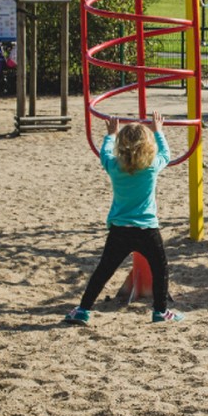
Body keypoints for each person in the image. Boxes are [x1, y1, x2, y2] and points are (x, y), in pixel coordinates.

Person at [64, 113, 184, 325]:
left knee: (104, 270)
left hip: (120, 229)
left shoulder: (114, 167)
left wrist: (110, 135)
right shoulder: (151, 167)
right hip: (147, 229)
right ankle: (160, 311)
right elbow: (166, 154)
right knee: (160, 269)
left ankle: (83, 309)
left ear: (121, 145)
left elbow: (104, 154)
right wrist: (159, 131)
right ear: (147, 146)